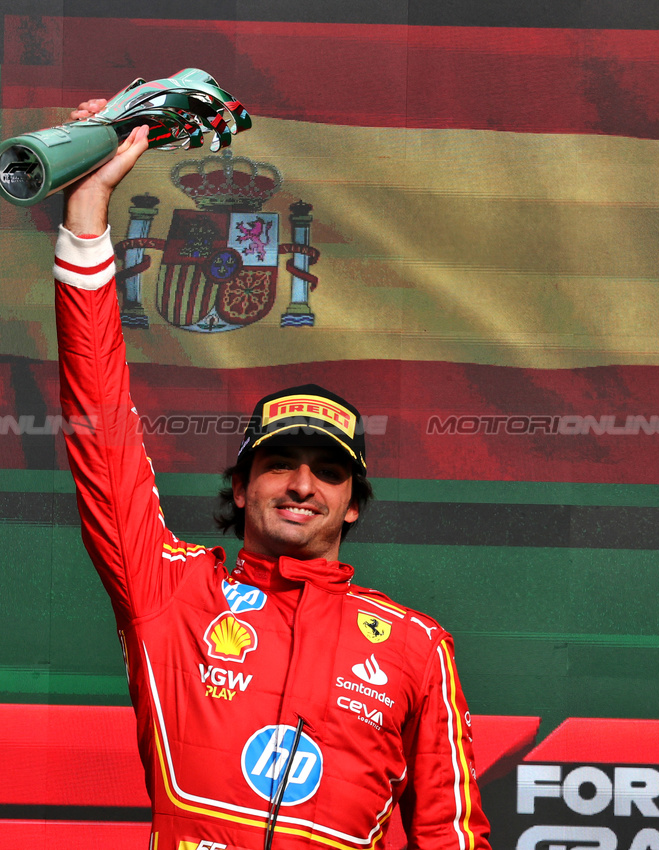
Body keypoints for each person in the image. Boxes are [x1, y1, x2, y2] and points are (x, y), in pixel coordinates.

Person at [53, 99, 490, 850]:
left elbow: (451, 835)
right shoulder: (169, 592)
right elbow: (102, 431)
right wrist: (87, 212)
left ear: (352, 504)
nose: (300, 485)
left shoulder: (416, 648)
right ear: (237, 487)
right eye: (278, 464)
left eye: (327, 472)